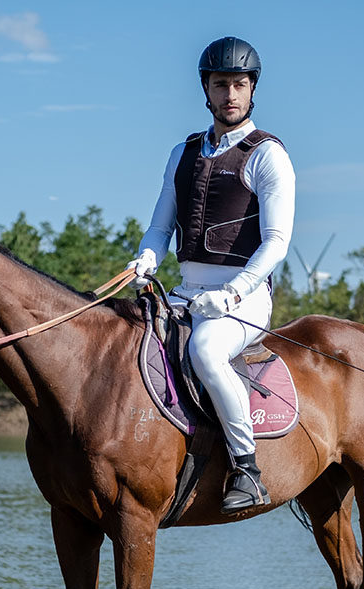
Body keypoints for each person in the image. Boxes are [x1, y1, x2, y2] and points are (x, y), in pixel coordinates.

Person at [127, 36, 296, 513]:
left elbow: (276, 243)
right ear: (206, 88)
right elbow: (160, 226)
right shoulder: (182, 154)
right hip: (185, 289)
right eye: (220, 84)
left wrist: (233, 294)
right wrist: (146, 259)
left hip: (245, 295)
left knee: (205, 348)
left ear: (251, 89)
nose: (230, 94)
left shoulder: (268, 155)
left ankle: (247, 467)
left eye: (238, 84)